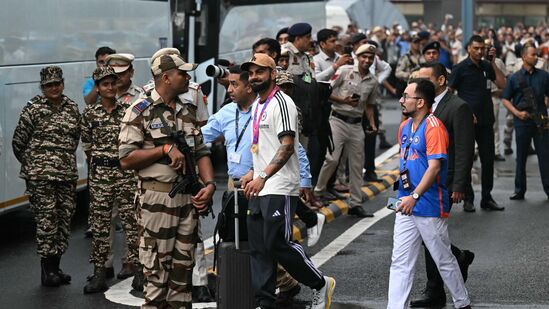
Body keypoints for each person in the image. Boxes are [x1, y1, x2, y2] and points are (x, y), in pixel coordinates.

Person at [118, 53, 216, 308]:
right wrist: (162, 150)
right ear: (166, 77)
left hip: (188, 199)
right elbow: (126, 158)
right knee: (158, 275)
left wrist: (209, 186)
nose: (187, 77)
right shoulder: (140, 111)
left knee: (183, 275)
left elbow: (202, 151)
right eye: (182, 73)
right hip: (157, 201)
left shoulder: (188, 109)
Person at [239, 54, 335, 309]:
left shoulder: (282, 102)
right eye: (251, 73)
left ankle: (319, 283)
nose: (254, 77)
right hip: (260, 185)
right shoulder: (258, 104)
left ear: (272, 74)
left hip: (279, 186)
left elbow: (287, 146)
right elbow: (262, 146)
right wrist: (252, 172)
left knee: (277, 243)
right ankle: (265, 302)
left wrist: (262, 176)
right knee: (259, 248)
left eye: (260, 72)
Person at [387, 79, 471, 309]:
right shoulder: (404, 127)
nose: (402, 100)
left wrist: (414, 196)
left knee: (442, 258)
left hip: (428, 204)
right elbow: (405, 162)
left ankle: (462, 303)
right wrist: (404, 196)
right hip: (405, 203)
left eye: (407, 96)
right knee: (400, 261)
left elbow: (434, 168)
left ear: (421, 102)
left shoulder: (434, 127)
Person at [411, 63, 476, 307]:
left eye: (424, 79)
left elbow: (463, 148)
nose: (419, 84)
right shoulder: (422, 106)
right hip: (423, 182)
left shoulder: (458, 107)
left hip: (445, 182)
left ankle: (435, 291)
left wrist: (460, 184)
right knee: (431, 235)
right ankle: (457, 258)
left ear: (440, 80)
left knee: (431, 236)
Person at [12, 66, 81, 287]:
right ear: (42, 87)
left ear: (62, 83)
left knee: (64, 218)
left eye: (57, 83)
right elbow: (18, 142)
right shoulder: (32, 109)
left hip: (66, 175)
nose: (54, 88)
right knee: (47, 221)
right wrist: (35, 165)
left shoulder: (72, 107)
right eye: (49, 85)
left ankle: (57, 267)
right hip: (40, 178)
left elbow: (75, 139)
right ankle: (47, 270)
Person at [81, 66, 139, 294]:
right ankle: (99, 274)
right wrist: (101, 166)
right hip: (101, 177)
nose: (110, 87)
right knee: (101, 225)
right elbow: (87, 147)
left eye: (113, 83)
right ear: (98, 87)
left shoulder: (127, 110)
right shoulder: (89, 114)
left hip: (125, 174)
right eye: (105, 84)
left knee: (132, 223)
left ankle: (138, 272)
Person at [314, 44, 378, 217]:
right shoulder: (343, 71)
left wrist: (372, 123)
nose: (367, 60)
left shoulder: (373, 81)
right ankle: (317, 192)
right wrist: (343, 100)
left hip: (357, 125)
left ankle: (355, 204)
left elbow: (369, 105)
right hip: (337, 120)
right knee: (332, 159)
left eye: (370, 58)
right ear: (357, 57)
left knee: (357, 166)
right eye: (364, 56)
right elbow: (325, 92)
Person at [449, 35, 506, 212]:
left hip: (486, 120)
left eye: (482, 48)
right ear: (469, 49)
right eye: (476, 48)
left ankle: (487, 197)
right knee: (465, 160)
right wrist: (463, 112)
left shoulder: (487, 66)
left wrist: (493, 62)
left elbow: (502, 84)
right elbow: (450, 93)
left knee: (488, 161)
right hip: (466, 122)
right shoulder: (460, 68)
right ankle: (468, 198)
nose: (479, 51)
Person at [102, 52, 143, 280]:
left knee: (131, 217)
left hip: (129, 164)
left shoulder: (140, 96)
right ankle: (104, 263)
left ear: (131, 73)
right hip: (105, 168)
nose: (118, 79)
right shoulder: (103, 95)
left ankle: (130, 261)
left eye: (122, 74)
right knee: (103, 217)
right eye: (114, 74)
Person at [501, 43, 549, 200]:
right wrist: (516, 113)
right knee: (520, 157)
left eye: (537, 54)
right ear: (523, 57)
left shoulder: (544, 75)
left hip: (541, 121)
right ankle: (519, 190)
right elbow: (505, 99)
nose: (536, 57)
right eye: (533, 55)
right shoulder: (514, 78)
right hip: (522, 121)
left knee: (545, 156)